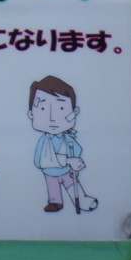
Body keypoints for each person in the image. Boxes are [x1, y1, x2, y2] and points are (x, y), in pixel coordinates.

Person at [28, 75, 97, 213]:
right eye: (43, 109)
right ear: (31, 114)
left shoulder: (69, 139)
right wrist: (68, 161)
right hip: (50, 173)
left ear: (74, 112)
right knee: (53, 189)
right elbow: (39, 161)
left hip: (66, 171)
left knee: (73, 186)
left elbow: (77, 150)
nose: (52, 118)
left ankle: (82, 201)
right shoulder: (43, 142)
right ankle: (55, 203)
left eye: (61, 108)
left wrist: (77, 162)